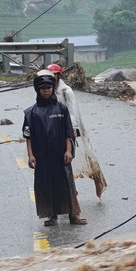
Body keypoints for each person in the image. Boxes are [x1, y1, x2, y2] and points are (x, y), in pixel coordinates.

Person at [22, 69, 84, 226]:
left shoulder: (62, 109)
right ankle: (51, 215)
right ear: (37, 89)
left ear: (53, 88)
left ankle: (73, 215)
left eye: (48, 88)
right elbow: (28, 137)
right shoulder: (31, 113)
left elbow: (68, 133)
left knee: (67, 183)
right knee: (45, 185)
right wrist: (30, 156)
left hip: (61, 155)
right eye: (42, 88)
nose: (46, 91)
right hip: (42, 156)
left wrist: (69, 150)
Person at [47, 63, 107, 205]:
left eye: (53, 75)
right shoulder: (47, 90)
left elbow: (73, 112)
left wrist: (72, 130)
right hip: (54, 132)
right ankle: (68, 191)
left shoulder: (66, 91)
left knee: (85, 156)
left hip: (70, 130)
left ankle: (97, 181)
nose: (51, 78)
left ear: (59, 76)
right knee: (60, 163)